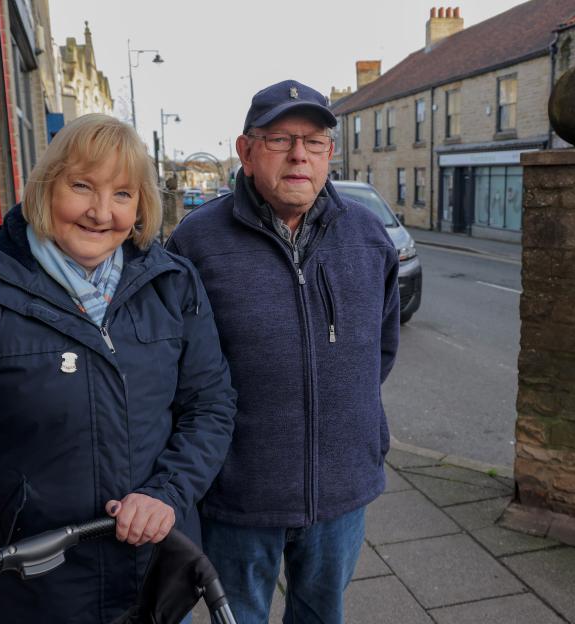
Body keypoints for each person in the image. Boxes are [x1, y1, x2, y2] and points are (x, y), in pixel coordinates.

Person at [0, 114, 236, 623]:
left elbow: (209, 407)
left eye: (123, 194)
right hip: (36, 594)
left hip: (160, 579)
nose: (102, 212)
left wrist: (166, 493)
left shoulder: (173, 285)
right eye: (82, 186)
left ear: (141, 206)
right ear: (46, 187)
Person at [166, 80, 400, 623]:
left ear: (329, 155)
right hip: (238, 494)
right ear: (245, 151)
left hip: (342, 489)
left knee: (322, 614)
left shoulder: (367, 236)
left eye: (314, 142)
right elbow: (177, 371)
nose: (299, 155)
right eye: (279, 139)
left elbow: (379, 353)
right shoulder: (197, 242)